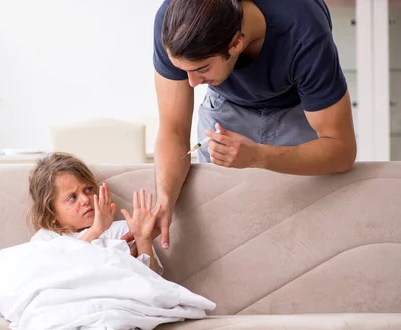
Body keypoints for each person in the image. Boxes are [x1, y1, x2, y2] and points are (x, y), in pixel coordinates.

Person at [152, 0, 358, 250]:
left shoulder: (305, 30)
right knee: (223, 230)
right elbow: (173, 130)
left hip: (296, 107)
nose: (192, 83)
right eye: (183, 71)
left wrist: (259, 156)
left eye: (202, 69)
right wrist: (164, 202)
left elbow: (342, 151)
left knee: (301, 234)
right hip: (226, 102)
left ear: (236, 42)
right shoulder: (173, 24)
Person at [28, 152, 164, 275]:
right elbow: (49, 274)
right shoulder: (46, 239)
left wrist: (143, 239)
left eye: (88, 190)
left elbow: (154, 284)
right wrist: (96, 230)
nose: (85, 199)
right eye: (72, 197)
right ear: (51, 214)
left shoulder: (126, 229)